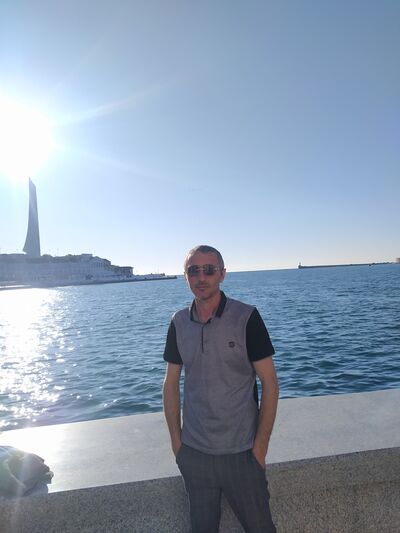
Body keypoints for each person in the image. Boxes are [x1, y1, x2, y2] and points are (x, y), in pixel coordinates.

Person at [163, 245, 279, 533]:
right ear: (185, 276)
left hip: (242, 454)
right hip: (195, 454)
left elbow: (270, 383)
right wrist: (178, 445)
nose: (201, 277)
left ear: (222, 274)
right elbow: (170, 384)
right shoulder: (178, 322)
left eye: (209, 270)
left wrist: (259, 450)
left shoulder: (246, 317)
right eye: (193, 270)